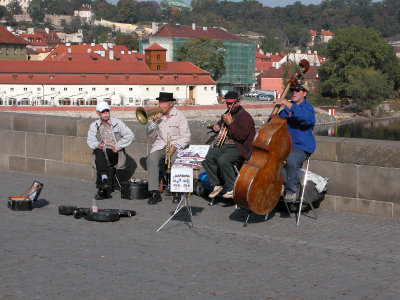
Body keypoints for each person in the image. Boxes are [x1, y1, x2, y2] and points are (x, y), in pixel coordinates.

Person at [203, 91, 256, 199]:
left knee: (223, 160)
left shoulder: (245, 117)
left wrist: (230, 123)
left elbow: (241, 137)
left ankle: (232, 188)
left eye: (231, 103)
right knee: (206, 156)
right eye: (227, 103)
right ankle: (217, 184)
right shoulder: (228, 113)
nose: (229, 106)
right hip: (225, 145)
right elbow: (220, 124)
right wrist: (216, 127)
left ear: (239, 102)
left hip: (240, 147)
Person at [274, 81, 316, 206]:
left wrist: (286, 102)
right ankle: (276, 185)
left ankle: (291, 190)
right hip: (285, 147)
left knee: (292, 160)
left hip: (301, 147)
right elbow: (276, 126)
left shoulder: (308, 108)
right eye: (292, 89)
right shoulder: (286, 110)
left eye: (298, 90)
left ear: (304, 93)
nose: (294, 92)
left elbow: (305, 118)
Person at [146, 92, 191, 205]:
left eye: (164, 103)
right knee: (151, 159)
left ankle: (176, 191)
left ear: (171, 104)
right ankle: (154, 192)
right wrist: (154, 122)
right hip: (161, 145)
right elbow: (150, 135)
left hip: (176, 146)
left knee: (176, 161)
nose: (161, 105)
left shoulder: (180, 116)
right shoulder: (158, 117)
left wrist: (175, 146)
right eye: (160, 102)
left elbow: (186, 136)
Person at [87, 101, 135, 200]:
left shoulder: (118, 123)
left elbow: (130, 136)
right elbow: (90, 140)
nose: (105, 113)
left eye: (107, 110)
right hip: (101, 151)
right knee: (100, 153)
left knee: (100, 157)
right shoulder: (94, 125)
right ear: (98, 113)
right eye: (103, 111)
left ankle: (102, 187)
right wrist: (97, 144)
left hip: (114, 152)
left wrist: (117, 146)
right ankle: (104, 184)